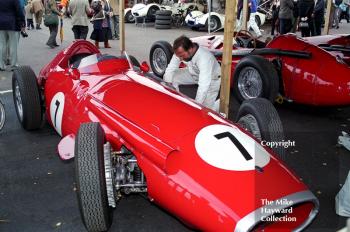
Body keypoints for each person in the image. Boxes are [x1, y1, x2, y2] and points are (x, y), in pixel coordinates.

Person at [163, 35, 221, 111]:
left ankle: (219, 103)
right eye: (179, 56)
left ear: (190, 49)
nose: (180, 58)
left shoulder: (205, 58)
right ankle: (175, 101)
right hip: (193, 73)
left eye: (182, 56)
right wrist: (169, 85)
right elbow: (170, 69)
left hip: (212, 79)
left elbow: (203, 86)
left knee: (205, 110)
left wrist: (195, 107)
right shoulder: (180, 51)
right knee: (171, 77)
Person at [0, 0, 25, 71]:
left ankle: (1, 65)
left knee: (1, 45)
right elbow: (19, 11)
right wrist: (23, 22)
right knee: (13, 46)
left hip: (0, 24)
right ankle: (14, 65)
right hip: (12, 23)